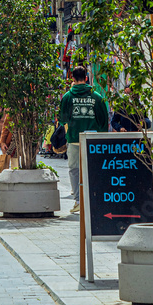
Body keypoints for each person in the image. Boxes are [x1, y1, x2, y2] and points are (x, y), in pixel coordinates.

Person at [59, 65, 109, 213]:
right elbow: (103, 120)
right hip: (92, 140)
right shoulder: (97, 97)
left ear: (72, 79)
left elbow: (62, 119)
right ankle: (93, 199)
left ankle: (78, 201)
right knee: (93, 169)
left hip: (74, 139)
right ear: (86, 78)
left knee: (74, 170)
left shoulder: (68, 97)